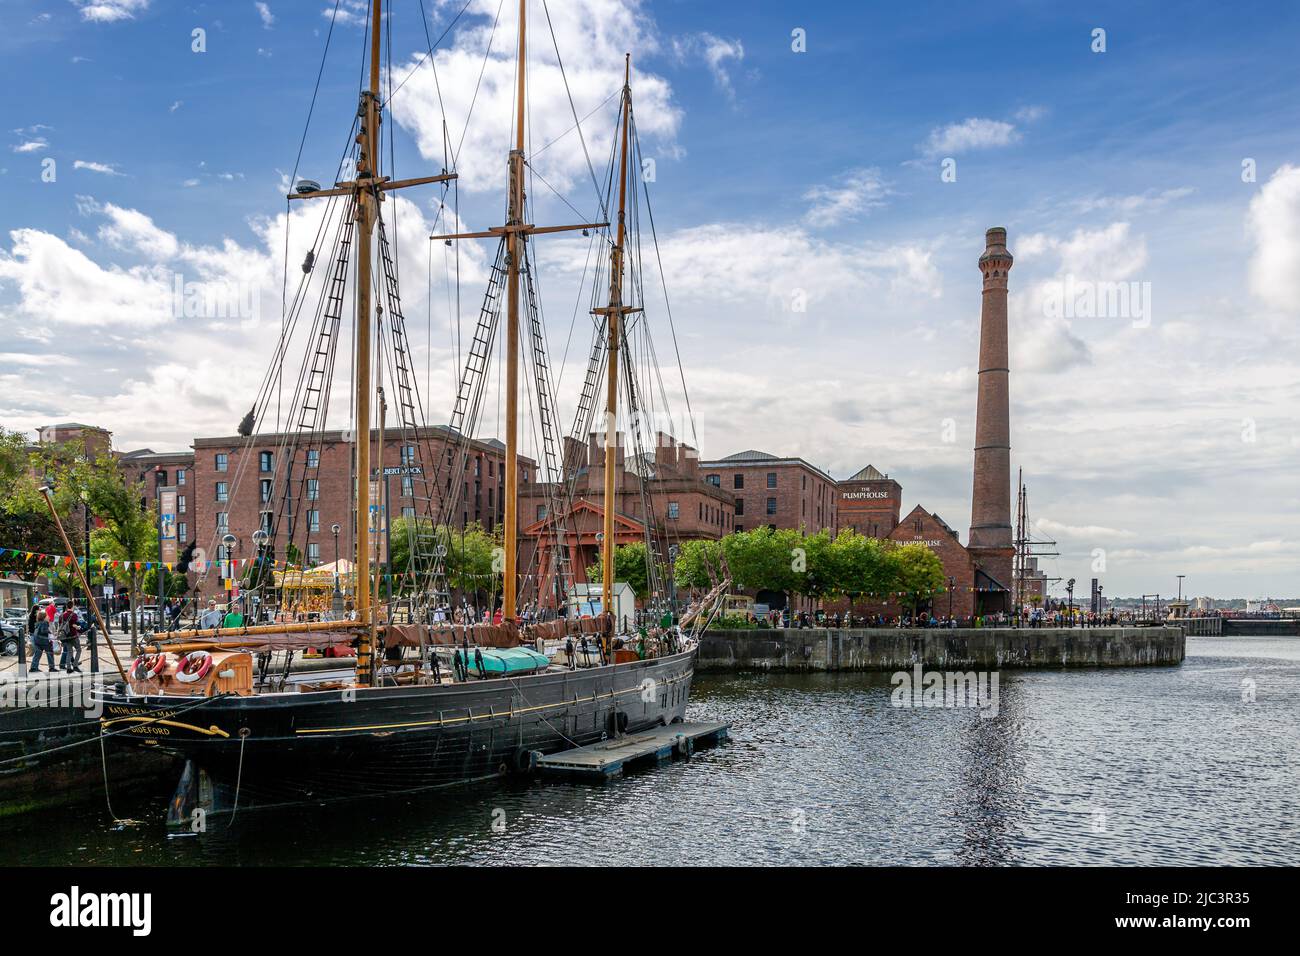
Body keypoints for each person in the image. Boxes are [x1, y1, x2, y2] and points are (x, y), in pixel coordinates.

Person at [59, 604, 82, 673]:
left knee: (69, 652)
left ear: (66, 607)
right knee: (79, 650)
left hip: (65, 636)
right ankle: (75, 665)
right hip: (73, 635)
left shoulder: (62, 615)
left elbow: (60, 625)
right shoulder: (74, 615)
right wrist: (78, 627)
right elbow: (74, 625)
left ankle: (68, 668)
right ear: (72, 607)